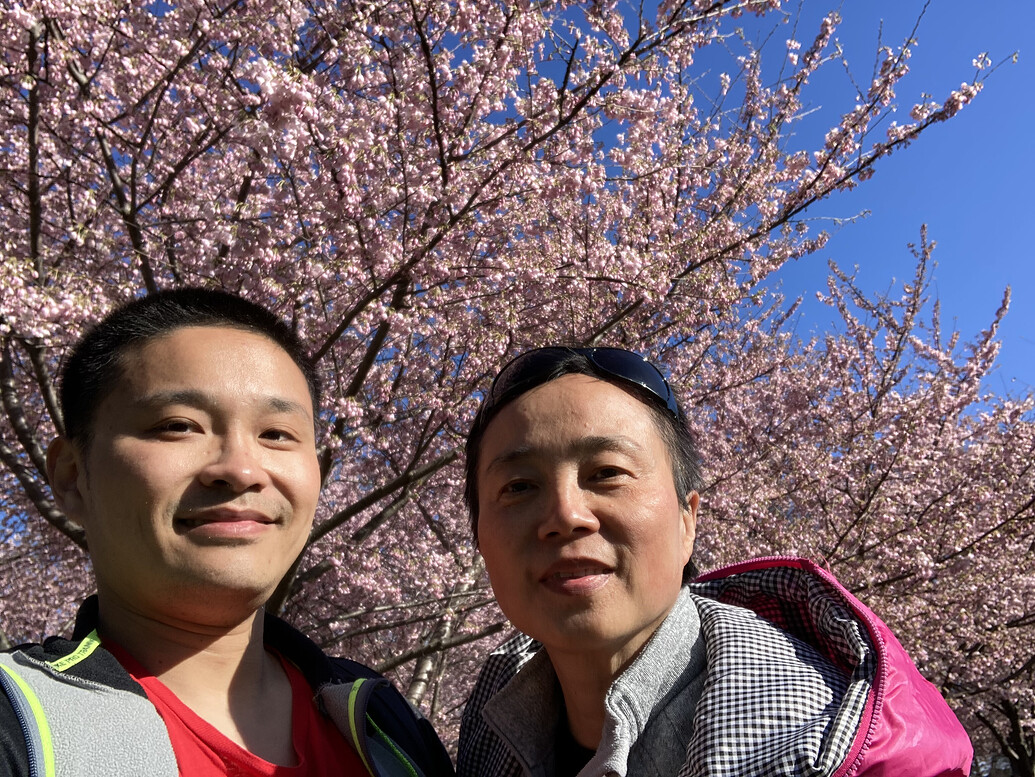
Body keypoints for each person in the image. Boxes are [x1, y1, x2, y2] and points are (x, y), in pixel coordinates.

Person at [456, 346, 973, 777]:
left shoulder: (821, 744)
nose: (565, 516)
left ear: (688, 520)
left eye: (607, 472)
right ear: (480, 538)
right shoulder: (487, 728)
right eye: (518, 486)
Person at [0, 288, 453, 777]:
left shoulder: (386, 728)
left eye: (277, 434)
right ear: (71, 476)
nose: (240, 470)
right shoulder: (20, 726)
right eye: (178, 425)